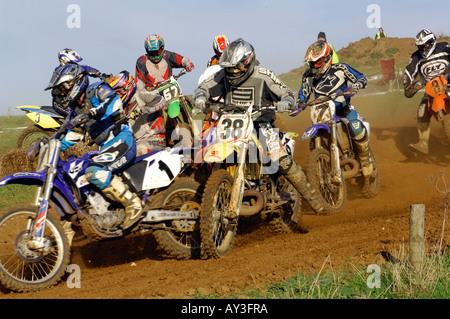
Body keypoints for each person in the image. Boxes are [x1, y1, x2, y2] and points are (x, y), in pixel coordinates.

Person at [193, 38, 324, 213]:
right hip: (231, 123)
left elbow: (286, 93)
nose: (232, 72)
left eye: (235, 67)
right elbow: (205, 87)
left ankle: (313, 199)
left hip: (261, 124)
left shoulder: (263, 75)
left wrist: (285, 102)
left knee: (282, 161)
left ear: (248, 61)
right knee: (205, 155)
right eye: (228, 68)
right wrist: (201, 97)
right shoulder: (223, 75)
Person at [45, 64, 143, 231]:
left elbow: (114, 102)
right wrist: (49, 145)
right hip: (106, 147)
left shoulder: (96, 89)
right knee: (77, 174)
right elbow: (72, 135)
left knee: (94, 171)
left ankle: (133, 204)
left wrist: (92, 113)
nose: (61, 93)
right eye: (58, 90)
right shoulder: (76, 110)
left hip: (122, 139)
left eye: (63, 88)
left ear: (76, 82)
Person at [297, 41, 371, 176]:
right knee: (313, 140)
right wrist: (300, 103)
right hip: (322, 115)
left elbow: (361, 78)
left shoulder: (341, 69)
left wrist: (354, 87)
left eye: (317, 63)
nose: (314, 67)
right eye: (311, 64)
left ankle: (365, 159)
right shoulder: (308, 76)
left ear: (327, 59)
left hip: (344, 110)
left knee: (356, 128)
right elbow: (304, 94)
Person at [404, 29, 450, 155]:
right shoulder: (416, 57)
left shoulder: (444, 47)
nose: (423, 49)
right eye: (420, 46)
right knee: (421, 111)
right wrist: (407, 84)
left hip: (448, 81)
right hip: (431, 89)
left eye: (425, 45)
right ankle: (423, 144)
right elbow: (409, 72)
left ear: (431, 42)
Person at [109, 71, 167, 156]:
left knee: (140, 151)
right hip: (136, 143)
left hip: (155, 138)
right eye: (115, 93)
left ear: (128, 87)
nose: (118, 96)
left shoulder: (140, 94)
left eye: (119, 92)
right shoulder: (119, 109)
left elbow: (161, 101)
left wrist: (142, 110)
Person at [51, 48, 107, 116]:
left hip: (76, 95)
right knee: (71, 114)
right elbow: (54, 87)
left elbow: (86, 68)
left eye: (73, 62)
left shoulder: (77, 67)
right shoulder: (58, 70)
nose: (73, 64)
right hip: (62, 100)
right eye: (71, 62)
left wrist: (100, 74)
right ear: (64, 60)